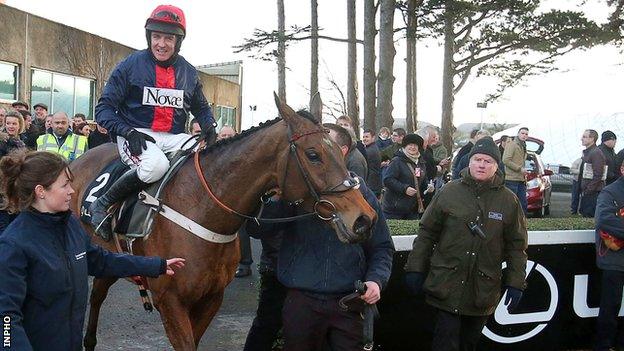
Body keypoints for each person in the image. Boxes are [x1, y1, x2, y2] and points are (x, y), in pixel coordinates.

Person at [0, 150, 186, 351]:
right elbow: (6, 318)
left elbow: (100, 260)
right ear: (40, 191)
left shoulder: (69, 224)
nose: (72, 191)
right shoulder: (14, 245)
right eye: (65, 185)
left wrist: (155, 265)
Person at [246, 123, 394, 351]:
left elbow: (382, 246)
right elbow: (257, 229)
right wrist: (278, 194)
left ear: (341, 151)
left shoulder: (363, 194)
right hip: (301, 304)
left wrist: (375, 280)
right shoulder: (298, 193)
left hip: (348, 304)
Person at [90, 4, 217, 240]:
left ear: (178, 42)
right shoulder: (129, 66)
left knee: (204, 159)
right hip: (135, 132)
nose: (161, 44)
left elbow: (200, 107)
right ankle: (103, 203)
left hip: (173, 135)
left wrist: (209, 124)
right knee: (156, 166)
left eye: (168, 38)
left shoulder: (188, 72)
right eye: (156, 36)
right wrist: (127, 132)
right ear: (149, 36)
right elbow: (104, 109)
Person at [404, 136, 528, 351]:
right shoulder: (449, 192)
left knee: (468, 344)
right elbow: (427, 233)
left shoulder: (509, 200)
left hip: (482, 291)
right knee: (444, 344)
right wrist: (415, 268)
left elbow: (517, 246)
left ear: (496, 166)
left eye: (488, 161)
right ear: (469, 161)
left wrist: (515, 282)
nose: (481, 164)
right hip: (445, 286)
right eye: (477, 159)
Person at [594, 159, 624, 351]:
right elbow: (603, 219)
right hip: (614, 261)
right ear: (622, 168)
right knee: (610, 308)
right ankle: (603, 346)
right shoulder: (610, 191)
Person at [382, 134, 432, 220]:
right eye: (410, 145)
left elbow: (421, 179)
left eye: (415, 145)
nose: (413, 147)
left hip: (412, 208)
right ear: (405, 146)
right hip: (394, 209)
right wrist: (404, 189)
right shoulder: (396, 161)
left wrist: (428, 186)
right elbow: (387, 180)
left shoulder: (420, 162)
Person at [0, 111, 27, 233]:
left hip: (16, 190)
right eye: (8, 123)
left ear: (19, 125)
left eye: (14, 123)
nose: (11, 126)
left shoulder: (21, 143)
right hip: (3, 191)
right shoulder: (2, 142)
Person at [580, 129, 606, 218]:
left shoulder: (596, 153)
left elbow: (598, 174)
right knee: (585, 215)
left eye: (584, 137)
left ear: (592, 139)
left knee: (589, 217)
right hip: (588, 191)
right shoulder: (589, 152)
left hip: (593, 193)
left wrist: (589, 190)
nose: (581, 139)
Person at [503, 127, 529, 214]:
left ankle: (520, 224)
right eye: (522, 133)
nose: (524, 135)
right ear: (518, 134)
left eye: (526, 134)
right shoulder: (512, 144)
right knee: (510, 204)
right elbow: (506, 160)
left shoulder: (523, 146)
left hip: (521, 179)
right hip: (511, 179)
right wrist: (519, 169)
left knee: (523, 204)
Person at [362, 129, 382, 197]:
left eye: (367, 137)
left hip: (371, 184)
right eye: (363, 137)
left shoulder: (369, 151)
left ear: (373, 138)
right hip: (374, 183)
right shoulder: (371, 148)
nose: (364, 139)